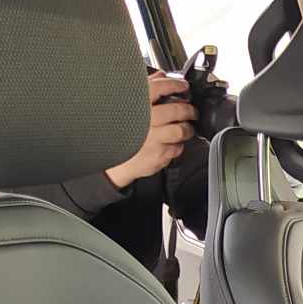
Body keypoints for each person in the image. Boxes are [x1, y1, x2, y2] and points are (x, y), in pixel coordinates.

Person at [21, 69, 203, 285]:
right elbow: (4, 219)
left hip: (139, 293)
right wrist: (114, 167)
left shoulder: (142, 90)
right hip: (29, 293)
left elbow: (205, 196)